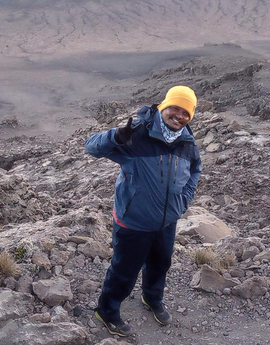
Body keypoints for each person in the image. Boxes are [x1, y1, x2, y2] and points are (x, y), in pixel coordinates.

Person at [85, 85, 202, 337]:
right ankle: (107, 310)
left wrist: (184, 200)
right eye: (174, 108)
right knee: (124, 270)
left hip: (166, 221)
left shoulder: (187, 142)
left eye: (185, 112)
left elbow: (195, 170)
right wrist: (115, 136)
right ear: (163, 106)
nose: (179, 115)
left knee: (160, 264)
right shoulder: (138, 134)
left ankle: (152, 298)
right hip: (134, 220)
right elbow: (92, 148)